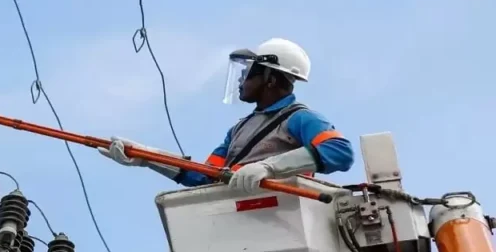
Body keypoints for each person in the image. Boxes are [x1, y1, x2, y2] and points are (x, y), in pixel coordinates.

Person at [99, 38, 354, 193]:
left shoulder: (299, 118)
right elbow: (204, 176)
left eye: (250, 71)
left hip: (285, 215)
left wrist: (269, 168)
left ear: (271, 78)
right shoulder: (238, 130)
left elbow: (339, 152)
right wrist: (145, 156)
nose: (242, 79)